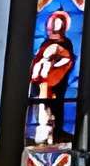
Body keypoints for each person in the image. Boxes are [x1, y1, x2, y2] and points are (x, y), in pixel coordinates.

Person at [30, 11, 75, 142]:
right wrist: (38, 68)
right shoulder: (45, 43)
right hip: (41, 82)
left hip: (57, 82)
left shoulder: (66, 43)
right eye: (53, 25)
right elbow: (37, 60)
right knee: (42, 106)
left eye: (58, 25)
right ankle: (43, 130)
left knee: (55, 106)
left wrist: (54, 67)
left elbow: (68, 60)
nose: (54, 29)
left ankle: (56, 132)